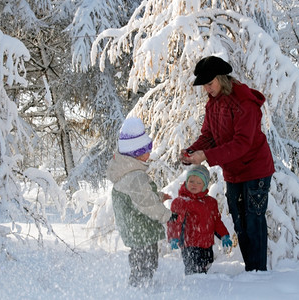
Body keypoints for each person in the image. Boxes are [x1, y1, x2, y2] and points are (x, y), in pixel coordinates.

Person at [180, 56, 275, 272]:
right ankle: (251, 270)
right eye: (204, 85)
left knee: (253, 223)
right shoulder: (213, 104)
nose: (206, 89)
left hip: (255, 170)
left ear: (222, 79)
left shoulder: (244, 103)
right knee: (240, 224)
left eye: (209, 83)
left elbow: (242, 144)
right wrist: (193, 150)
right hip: (233, 172)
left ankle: (258, 274)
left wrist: (206, 156)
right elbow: (209, 135)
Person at [107, 117, 172, 287]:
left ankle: (139, 286)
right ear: (137, 153)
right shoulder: (136, 177)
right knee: (146, 263)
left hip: (134, 229)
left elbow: (138, 197)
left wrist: (158, 197)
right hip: (141, 229)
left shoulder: (126, 172)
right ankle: (140, 290)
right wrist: (168, 215)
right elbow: (147, 204)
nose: (150, 153)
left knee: (140, 261)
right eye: (147, 149)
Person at [167, 165, 232, 275]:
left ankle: (203, 287)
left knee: (206, 265)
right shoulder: (181, 202)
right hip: (189, 244)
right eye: (191, 181)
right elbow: (174, 222)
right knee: (193, 270)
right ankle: (192, 287)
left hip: (207, 244)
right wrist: (173, 237)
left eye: (198, 182)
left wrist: (224, 235)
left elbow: (216, 221)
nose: (194, 185)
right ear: (186, 182)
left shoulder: (211, 202)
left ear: (205, 185)